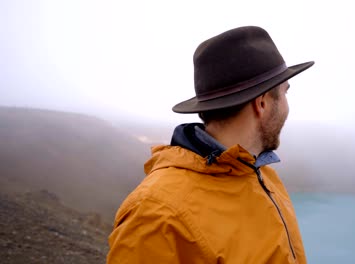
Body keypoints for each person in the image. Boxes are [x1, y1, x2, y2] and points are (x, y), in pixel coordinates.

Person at [107, 26, 314, 264]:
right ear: (263, 103)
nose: (288, 106)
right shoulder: (155, 213)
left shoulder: (262, 175)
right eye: (285, 93)